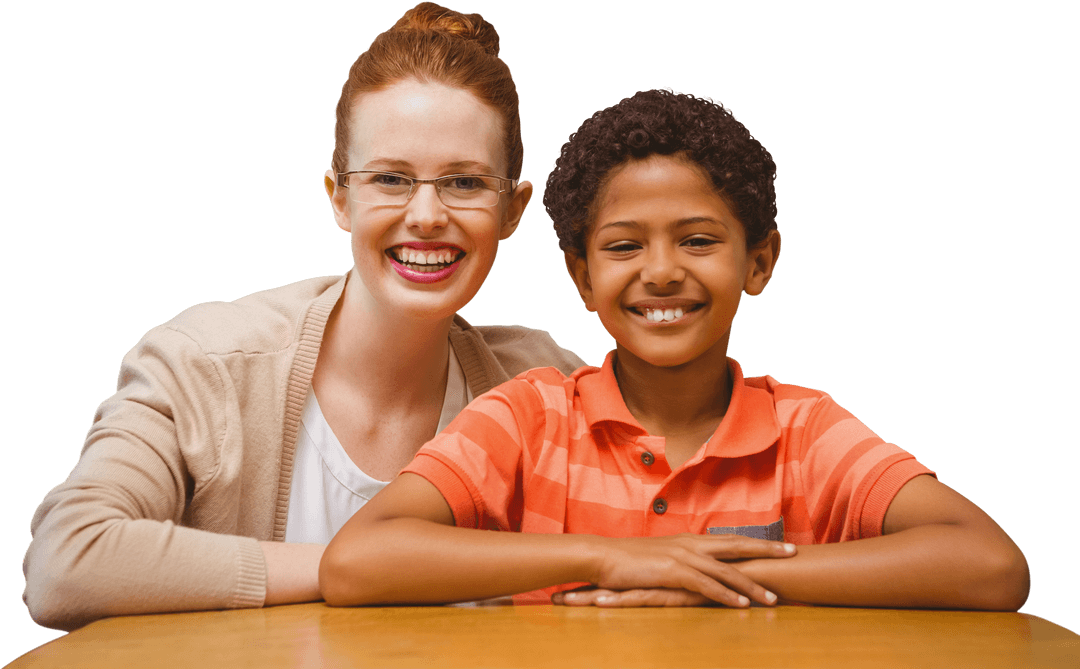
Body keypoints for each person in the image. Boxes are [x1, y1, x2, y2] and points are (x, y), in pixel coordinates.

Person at [319, 88, 1030, 610]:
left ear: (759, 261)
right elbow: (357, 562)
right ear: (583, 278)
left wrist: (707, 577)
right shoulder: (529, 418)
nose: (660, 270)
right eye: (625, 246)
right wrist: (613, 558)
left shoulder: (805, 433)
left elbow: (989, 565)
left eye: (697, 239)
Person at [23, 2, 584, 631]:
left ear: (512, 210)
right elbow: (65, 562)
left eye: (464, 183)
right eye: (391, 179)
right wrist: (362, 568)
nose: (426, 214)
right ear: (339, 197)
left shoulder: (549, 387)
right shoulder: (204, 365)